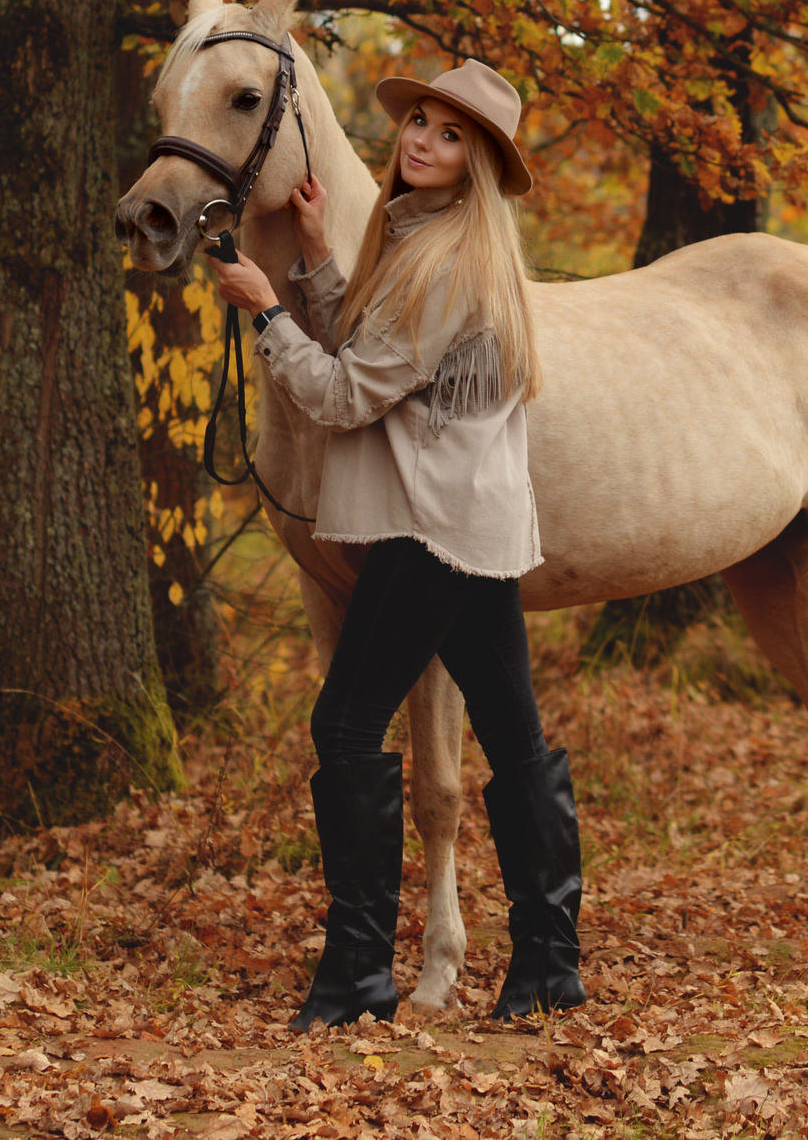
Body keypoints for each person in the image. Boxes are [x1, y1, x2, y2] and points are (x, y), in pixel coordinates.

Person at [205, 60, 585, 1029]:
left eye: (450, 136)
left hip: (431, 525)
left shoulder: (446, 260)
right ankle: (548, 963)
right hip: (474, 521)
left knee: (342, 726)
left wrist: (264, 307)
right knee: (515, 737)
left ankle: (355, 977)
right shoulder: (427, 240)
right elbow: (368, 359)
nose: (421, 139)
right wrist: (320, 255)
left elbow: (339, 394)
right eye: (419, 120)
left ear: (478, 167)